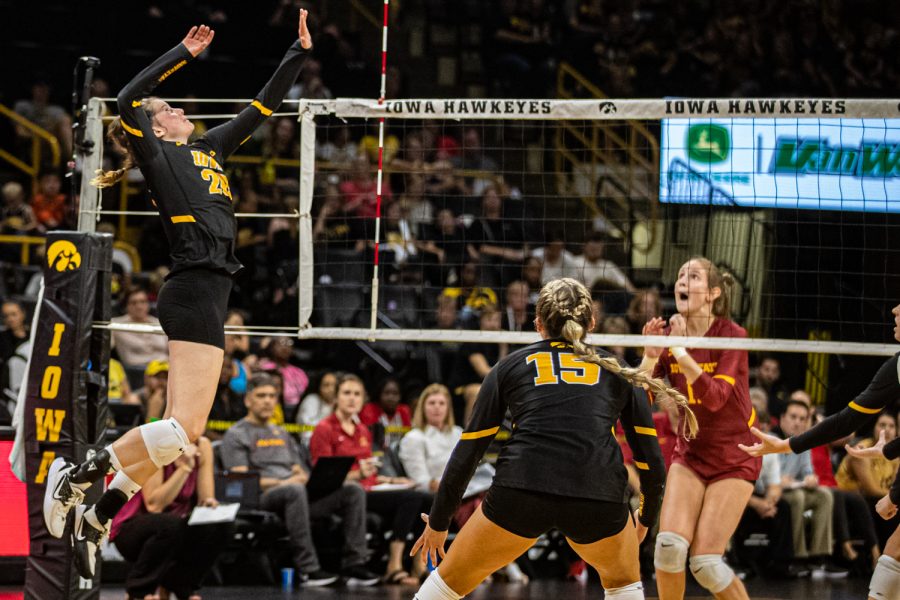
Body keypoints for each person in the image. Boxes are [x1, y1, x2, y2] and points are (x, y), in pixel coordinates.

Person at [42, 13, 316, 579]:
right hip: (191, 290)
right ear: (158, 128)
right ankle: (79, 477)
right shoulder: (157, 154)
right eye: (172, 110)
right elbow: (127, 98)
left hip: (213, 293)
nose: (182, 111)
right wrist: (182, 53)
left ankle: (102, 514)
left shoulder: (211, 148)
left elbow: (262, 107)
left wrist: (297, 51)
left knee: (179, 439)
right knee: (179, 432)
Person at [411, 278, 687, 600]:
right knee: (624, 585)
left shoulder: (507, 367)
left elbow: (469, 452)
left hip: (523, 489)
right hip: (596, 494)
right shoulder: (620, 370)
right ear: (592, 323)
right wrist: (645, 518)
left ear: (538, 323)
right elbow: (651, 465)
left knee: (444, 588)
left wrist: (440, 522)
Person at [740, 303, 900, 600]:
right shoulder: (897, 366)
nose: (894, 310)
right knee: (892, 558)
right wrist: (787, 444)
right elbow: (847, 419)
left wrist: (895, 494)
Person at [639, 257, 760, 600]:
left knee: (705, 562)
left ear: (712, 293)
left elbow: (717, 398)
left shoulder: (733, 336)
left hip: (736, 456)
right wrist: (650, 356)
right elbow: (640, 397)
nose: (681, 282)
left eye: (692, 277)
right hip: (691, 453)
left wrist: (677, 350)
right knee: (668, 547)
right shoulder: (667, 337)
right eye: (679, 275)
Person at [221, 373, 379, 587]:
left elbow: (301, 471)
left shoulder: (282, 433)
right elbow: (242, 481)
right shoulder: (236, 434)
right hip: (262, 499)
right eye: (261, 396)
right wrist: (285, 483)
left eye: (271, 396)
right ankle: (308, 569)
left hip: (297, 496)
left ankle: (354, 564)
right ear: (248, 400)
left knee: (352, 490)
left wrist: (299, 479)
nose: (268, 401)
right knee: (295, 490)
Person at [310, 374, 432, 586]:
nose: (352, 399)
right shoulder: (325, 428)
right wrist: (358, 475)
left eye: (357, 394)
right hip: (340, 495)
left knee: (425, 498)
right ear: (336, 398)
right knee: (410, 499)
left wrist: (391, 480)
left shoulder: (362, 430)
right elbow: (322, 478)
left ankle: (418, 563)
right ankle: (394, 564)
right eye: (346, 393)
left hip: (368, 490)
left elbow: (368, 472)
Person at [110, 437, 228, 600]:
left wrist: (209, 503)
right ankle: (139, 591)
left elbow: (205, 498)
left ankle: (181, 584)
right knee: (170, 524)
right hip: (133, 528)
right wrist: (184, 468)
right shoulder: (157, 440)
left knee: (220, 523)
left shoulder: (203, 445)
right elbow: (155, 505)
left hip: (176, 527)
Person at [772, 400, 842, 575]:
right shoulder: (770, 438)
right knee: (798, 497)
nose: (797, 422)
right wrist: (776, 480)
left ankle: (819, 557)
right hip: (772, 491)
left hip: (793, 488)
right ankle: (798, 556)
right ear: (782, 419)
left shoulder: (802, 443)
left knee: (824, 495)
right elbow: (759, 476)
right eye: (793, 417)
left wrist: (811, 478)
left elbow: (807, 472)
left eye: (802, 419)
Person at [836, 411, 900, 549]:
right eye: (882, 425)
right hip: (847, 499)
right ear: (874, 428)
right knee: (887, 507)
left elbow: (895, 487)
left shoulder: (895, 456)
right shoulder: (862, 449)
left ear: (897, 431)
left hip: (871, 500)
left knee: (891, 506)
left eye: (891, 426)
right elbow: (870, 489)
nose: (887, 430)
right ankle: (881, 557)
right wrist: (893, 498)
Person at [110, 287, 169, 370]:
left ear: (148, 304)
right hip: (136, 372)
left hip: (165, 369)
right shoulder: (116, 324)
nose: (139, 306)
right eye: (134, 303)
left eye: (143, 302)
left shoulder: (159, 323)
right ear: (126, 306)